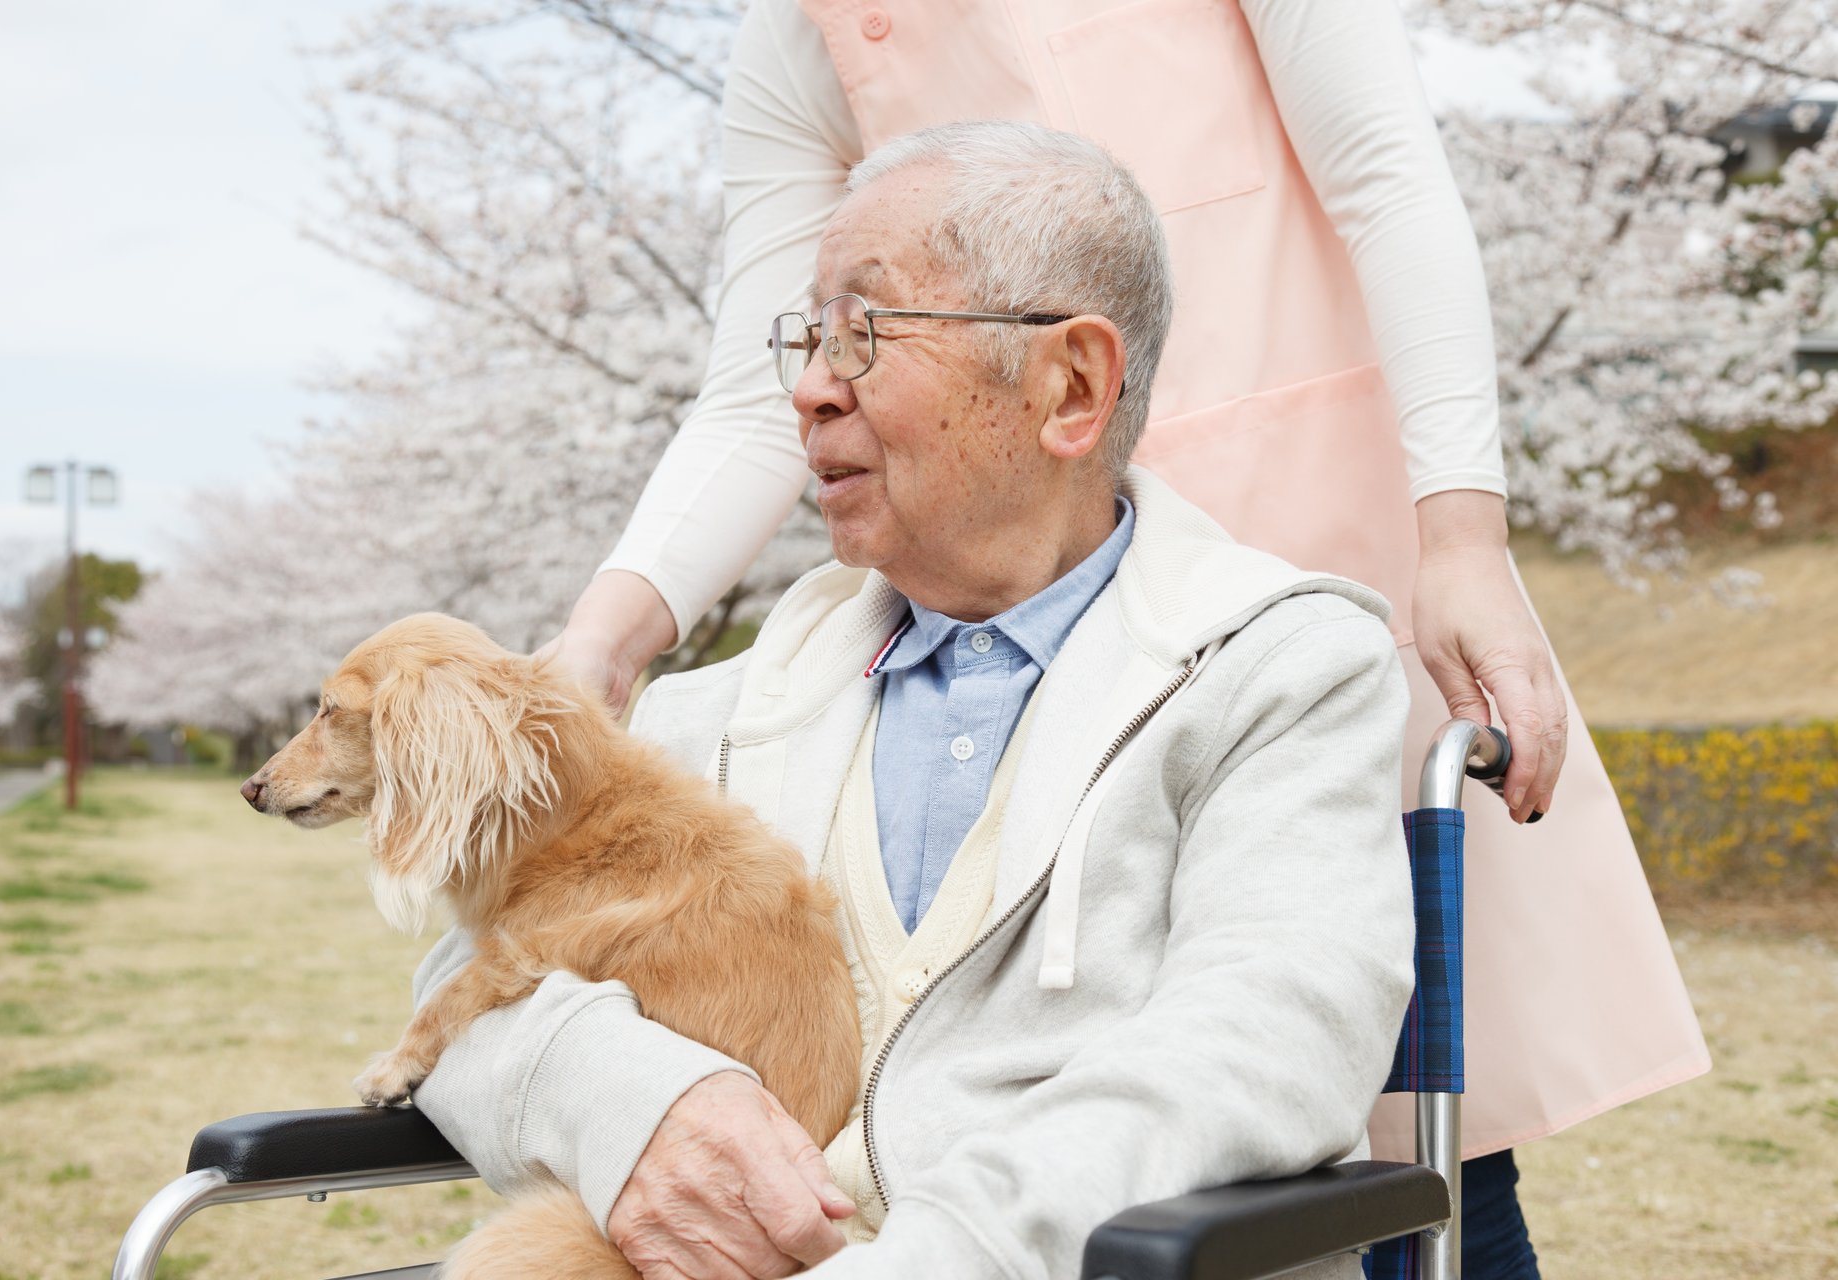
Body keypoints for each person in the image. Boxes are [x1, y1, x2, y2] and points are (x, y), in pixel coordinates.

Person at [539, 2, 1711, 1272]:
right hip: (1006, 579)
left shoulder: (1295, 657)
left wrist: (1463, 540)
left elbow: (1387, 177)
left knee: (1400, 1112)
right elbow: (758, 381)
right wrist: (600, 647)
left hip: (1298, 535)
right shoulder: (804, 31)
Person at [417, 121, 1415, 1280]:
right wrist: (634, 1099)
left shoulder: (1282, 673)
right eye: (808, 336)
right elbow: (461, 983)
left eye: (864, 334)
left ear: (1070, 388)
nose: (806, 391)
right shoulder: (716, 715)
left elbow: (1274, 1039)